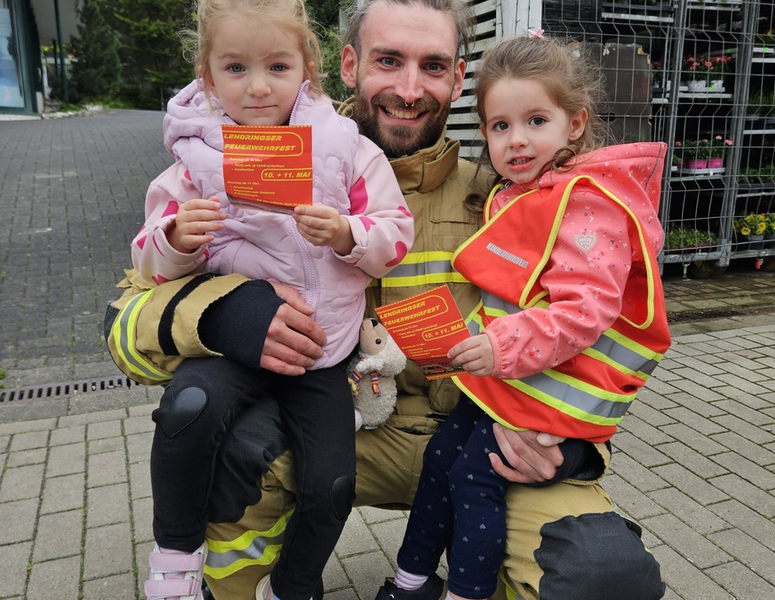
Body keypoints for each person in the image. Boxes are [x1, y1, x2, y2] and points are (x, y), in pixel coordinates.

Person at [105, 1, 669, 599]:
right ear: (348, 65)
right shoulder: (244, 162)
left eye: (432, 66)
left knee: (605, 577)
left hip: (483, 439)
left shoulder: (517, 197)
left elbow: (599, 330)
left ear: (458, 78)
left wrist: (576, 451)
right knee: (229, 445)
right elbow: (123, 326)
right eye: (388, 60)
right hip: (343, 433)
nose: (408, 88)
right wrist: (220, 313)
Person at [130, 1, 413, 599]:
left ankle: (295, 584)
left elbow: (395, 236)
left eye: (278, 66)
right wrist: (177, 239)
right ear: (207, 77)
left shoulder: (345, 149)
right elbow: (146, 263)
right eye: (235, 68)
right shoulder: (192, 162)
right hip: (237, 351)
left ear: (306, 70)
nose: (258, 87)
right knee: (189, 407)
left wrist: (346, 234)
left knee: (333, 483)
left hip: (323, 350)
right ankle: (176, 555)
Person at [374, 32, 671, 600]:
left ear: (576, 123)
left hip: (544, 390)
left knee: (471, 476)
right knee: (444, 458)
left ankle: (466, 591)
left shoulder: (585, 202)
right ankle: (411, 582)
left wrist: (500, 346)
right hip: (504, 383)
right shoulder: (523, 193)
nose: (516, 141)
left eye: (536, 120)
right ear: (483, 130)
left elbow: (585, 309)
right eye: (500, 126)